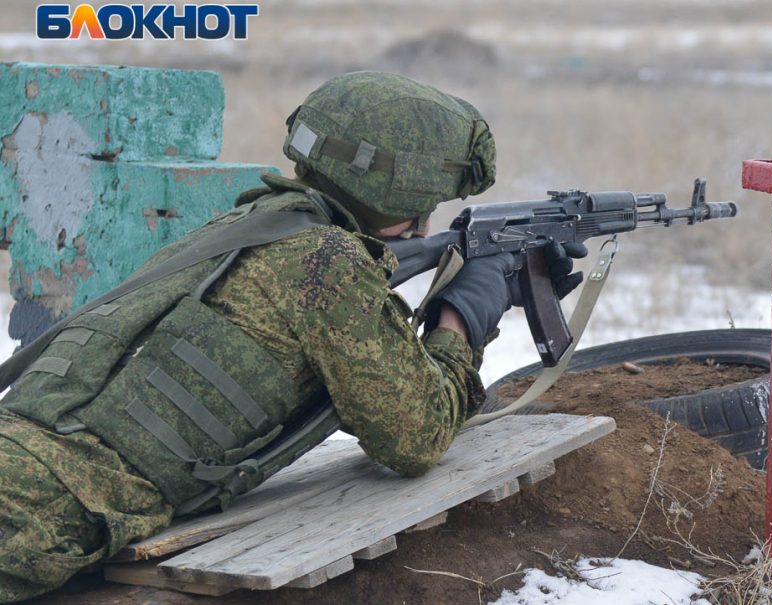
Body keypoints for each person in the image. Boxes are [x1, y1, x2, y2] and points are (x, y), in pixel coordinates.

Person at [0, 71, 585, 602]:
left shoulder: (246, 224)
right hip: (39, 511)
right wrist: (465, 314)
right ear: (402, 195)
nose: (429, 220)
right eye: (428, 202)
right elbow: (415, 437)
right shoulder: (324, 260)